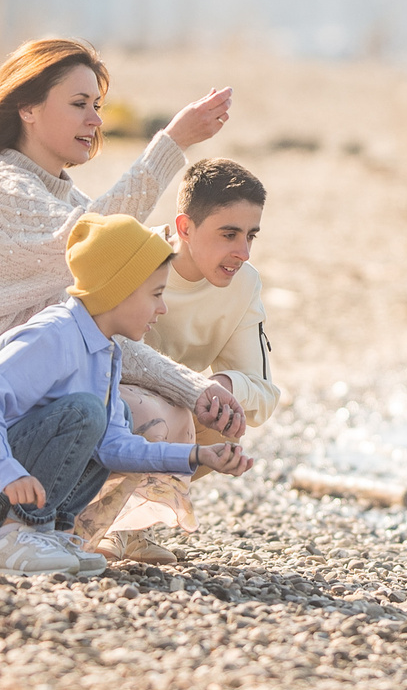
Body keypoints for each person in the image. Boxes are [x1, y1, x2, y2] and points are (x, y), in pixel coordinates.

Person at [0, 37, 234, 564]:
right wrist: (172, 144)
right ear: (29, 109)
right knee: (133, 412)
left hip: (1, 394)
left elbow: (100, 334)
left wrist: (196, 389)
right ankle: (2, 529)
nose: (95, 120)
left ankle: (46, 531)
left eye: (98, 107)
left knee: (173, 408)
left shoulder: (55, 198)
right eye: (79, 104)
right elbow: (98, 234)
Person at [0, 213, 251, 576]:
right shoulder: (52, 335)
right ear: (119, 289)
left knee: (114, 421)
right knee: (86, 412)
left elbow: (115, 448)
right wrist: (7, 472)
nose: (162, 309)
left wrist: (199, 455)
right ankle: (14, 538)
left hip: (10, 481)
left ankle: (51, 532)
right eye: (156, 295)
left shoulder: (105, 353)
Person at [75, 158, 287, 562]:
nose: (242, 252)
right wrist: (188, 391)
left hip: (166, 408)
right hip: (94, 407)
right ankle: (80, 521)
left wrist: (219, 390)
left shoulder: (244, 284)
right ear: (185, 227)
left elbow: (263, 393)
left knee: (225, 426)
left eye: (250, 236)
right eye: (229, 234)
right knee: (157, 412)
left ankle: (127, 525)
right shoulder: (136, 260)